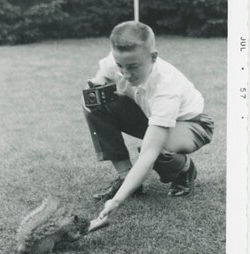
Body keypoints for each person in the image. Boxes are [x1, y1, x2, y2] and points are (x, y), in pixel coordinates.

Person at [82, 21, 214, 221]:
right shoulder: (120, 59)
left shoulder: (166, 87)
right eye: (120, 66)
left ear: (153, 57)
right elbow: (102, 75)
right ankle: (125, 175)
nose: (125, 74)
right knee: (94, 105)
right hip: (149, 114)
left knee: (157, 149)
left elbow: (149, 153)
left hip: (191, 123)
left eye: (133, 67)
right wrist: (98, 85)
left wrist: (116, 201)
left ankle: (184, 169)